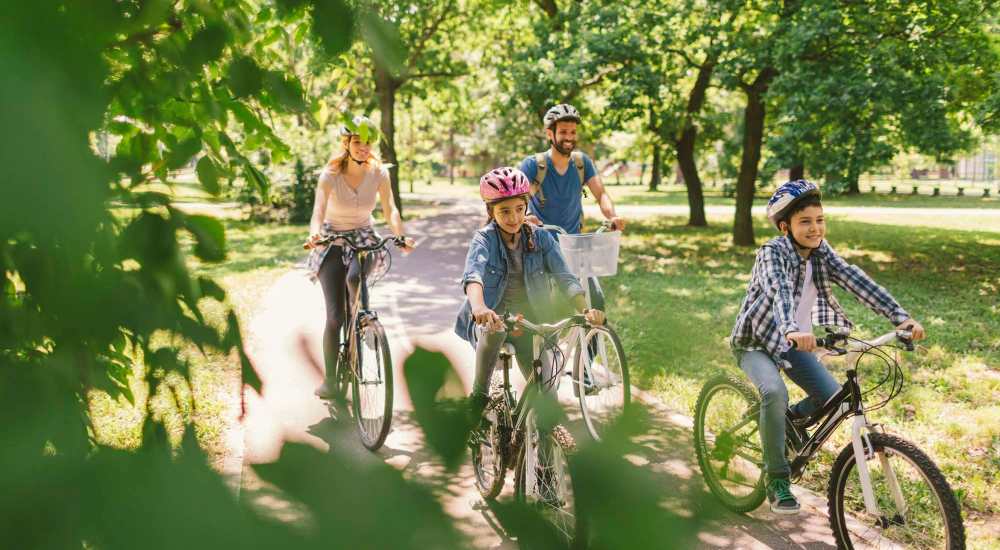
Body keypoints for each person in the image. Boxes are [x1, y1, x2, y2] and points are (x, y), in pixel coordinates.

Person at [730, 179, 925, 515]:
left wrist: (900, 318)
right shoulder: (771, 254)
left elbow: (856, 279)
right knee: (774, 393)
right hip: (757, 342)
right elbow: (779, 292)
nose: (815, 228)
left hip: (793, 342)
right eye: (805, 221)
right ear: (784, 226)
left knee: (833, 399)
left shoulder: (822, 252)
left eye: (820, 220)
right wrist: (793, 328)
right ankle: (777, 479)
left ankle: (783, 423)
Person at [455, 167, 605, 412]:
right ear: (491, 211)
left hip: (530, 321)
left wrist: (585, 310)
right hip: (495, 316)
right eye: (504, 211)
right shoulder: (484, 239)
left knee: (547, 399)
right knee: (493, 330)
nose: (513, 217)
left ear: (526, 207)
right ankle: (479, 395)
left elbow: (565, 277)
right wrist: (480, 307)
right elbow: (474, 276)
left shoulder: (542, 238)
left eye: (519, 209)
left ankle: (545, 445)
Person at [305, 115, 414, 398]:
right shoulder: (330, 175)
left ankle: (361, 321)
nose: (363, 148)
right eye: (357, 142)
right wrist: (314, 234)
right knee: (334, 317)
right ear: (347, 144)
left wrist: (400, 234)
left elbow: (390, 209)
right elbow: (318, 211)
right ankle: (330, 380)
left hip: (363, 236)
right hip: (332, 239)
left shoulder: (379, 173)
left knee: (355, 277)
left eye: (368, 143)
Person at [519, 103, 625, 312]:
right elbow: (521, 200)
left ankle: (592, 344)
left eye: (573, 132)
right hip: (542, 245)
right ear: (550, 134)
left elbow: (601, 193)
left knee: (595, 302)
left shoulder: (581, 163)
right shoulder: (535, 165)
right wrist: (528, 215)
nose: (569, 137)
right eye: (563, 132)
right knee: (546, 309)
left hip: (574, 245)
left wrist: (613, 216)